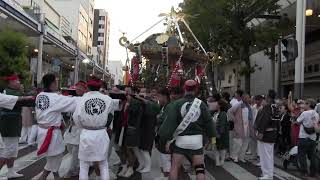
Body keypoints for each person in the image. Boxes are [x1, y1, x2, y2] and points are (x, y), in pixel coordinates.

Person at [158, 80, 216, 180]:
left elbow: (170, 123)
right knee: (200, 168)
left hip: (181, 139)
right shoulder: (201, 104)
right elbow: (209, 123)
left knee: (175, 167)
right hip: (197, 140)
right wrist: (212, 139)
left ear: (184, 89)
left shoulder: (176, 104)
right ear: (196, 89)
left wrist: (166, 139)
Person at [73, 77, 118, 180]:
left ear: (87, 87)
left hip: (86, 133)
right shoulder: (108, 99)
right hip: (101, 133)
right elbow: (110, 117)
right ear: (99, 87)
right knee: (103, 164)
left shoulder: (82, 99)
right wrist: (104, 127)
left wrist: (83, 128)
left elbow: (76, 117)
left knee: (84, 165)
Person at [35, 74, 79, 180]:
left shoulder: (40, 95)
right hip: (51, 132)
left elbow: (57, 102)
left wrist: (62, 97)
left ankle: (52, 176)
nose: (57, 83)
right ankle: (47, 176)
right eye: (56, 81)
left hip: (42, 130)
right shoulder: (56, 98)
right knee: (56, 155)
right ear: (53, 83)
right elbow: (73, 102)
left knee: (52, 156)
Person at [0, 74, 33, 178]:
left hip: (14, 124)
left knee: (13, 150)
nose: (19, 82)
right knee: (7, 151)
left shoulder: (15, 92)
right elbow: (25, 101)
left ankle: (10, 171)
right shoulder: (7, 92)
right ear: (10, 83)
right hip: (8, 125)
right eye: (17, 81)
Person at [254, 90, 281, 180]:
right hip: (272, 133)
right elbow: (277, 122)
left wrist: (261, 132)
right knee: (269, 155)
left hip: (266, 133)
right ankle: (269, 173)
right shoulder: (276, 107)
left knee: (265, 155)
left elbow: (264, 120)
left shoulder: (268, 107)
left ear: (268, 97)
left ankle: (267, 174)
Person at [64, 81, 87, 178]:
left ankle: (72, 170)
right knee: (69, 147)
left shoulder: (87, 99)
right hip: (71, 127)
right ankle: (78, 165)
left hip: (81, 128)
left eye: (80, 88)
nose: (78, 89)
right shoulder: (72, 98)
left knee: (75, 150)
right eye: (77, 88)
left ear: (85, 89)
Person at [296, 98, 319, 177]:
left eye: (305, 103)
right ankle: (313, 173)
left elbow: (297, 121)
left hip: (303, 137)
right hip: (312, 138)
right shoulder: (316, 114)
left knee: (302, 155)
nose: (304, 105)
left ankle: (304, 172)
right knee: (312, 156)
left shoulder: (305, 113)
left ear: (309, 104)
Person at [228, 93, 252, 163]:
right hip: (239, 126)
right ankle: (234, 156)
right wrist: (234, 119)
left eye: (249, 98)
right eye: (247, 98)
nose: (248, 99)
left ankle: (241, 157)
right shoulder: (238, 105)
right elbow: (229, 111)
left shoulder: (249, 106)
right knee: (237, 142)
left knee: (245, 142)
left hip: (247, 126)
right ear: (243, 98)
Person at [155, 88, 172, 179]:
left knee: (165, 158)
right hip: (160, 135)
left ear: (165, 96)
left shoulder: (169, 106)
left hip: (166, 136)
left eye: (159, 96)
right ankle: (163, 175)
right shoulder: (163, 106)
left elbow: (163, 120)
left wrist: (158, 118)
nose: (158, 99)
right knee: (161, 157)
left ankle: (166, 176)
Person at [208, 97, 229, 166]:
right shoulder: (215, 113)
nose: (215, 105)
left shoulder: (223, 114)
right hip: (214, 134)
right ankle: (217, 160)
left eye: (216, 104)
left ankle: (221, 160)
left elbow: (222, 125)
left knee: (222, 147)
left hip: (220, 134)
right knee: (215, 146)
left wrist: (220, 133)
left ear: (220, 105)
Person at [249, 95, 264, 162]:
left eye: (259, 100)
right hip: (253, 126)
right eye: (256, 100)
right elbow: (251, 117)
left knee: (259, 143)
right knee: (252, 142)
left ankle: (259, 157)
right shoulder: (253, 107)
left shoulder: (263, 108)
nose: (257, 101)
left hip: (259, 127)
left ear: (261, 100)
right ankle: (253, 155)